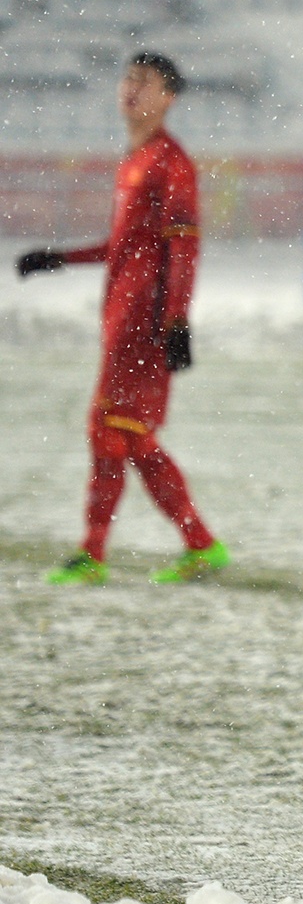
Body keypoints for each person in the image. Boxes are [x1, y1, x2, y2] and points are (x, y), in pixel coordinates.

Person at [16, 53, 228, 586]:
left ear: (168, 97)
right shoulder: (133, 159)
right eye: (128, 79)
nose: (131, 89)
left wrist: (177, 319)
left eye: (145, 82)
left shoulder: (169, 162)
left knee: (109, 429)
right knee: (129, 435)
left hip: (146, 320)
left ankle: (95, 553)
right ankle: (199, 545)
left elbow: (185, 247)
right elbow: (123, 246)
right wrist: (60, 258)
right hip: (121, 316)